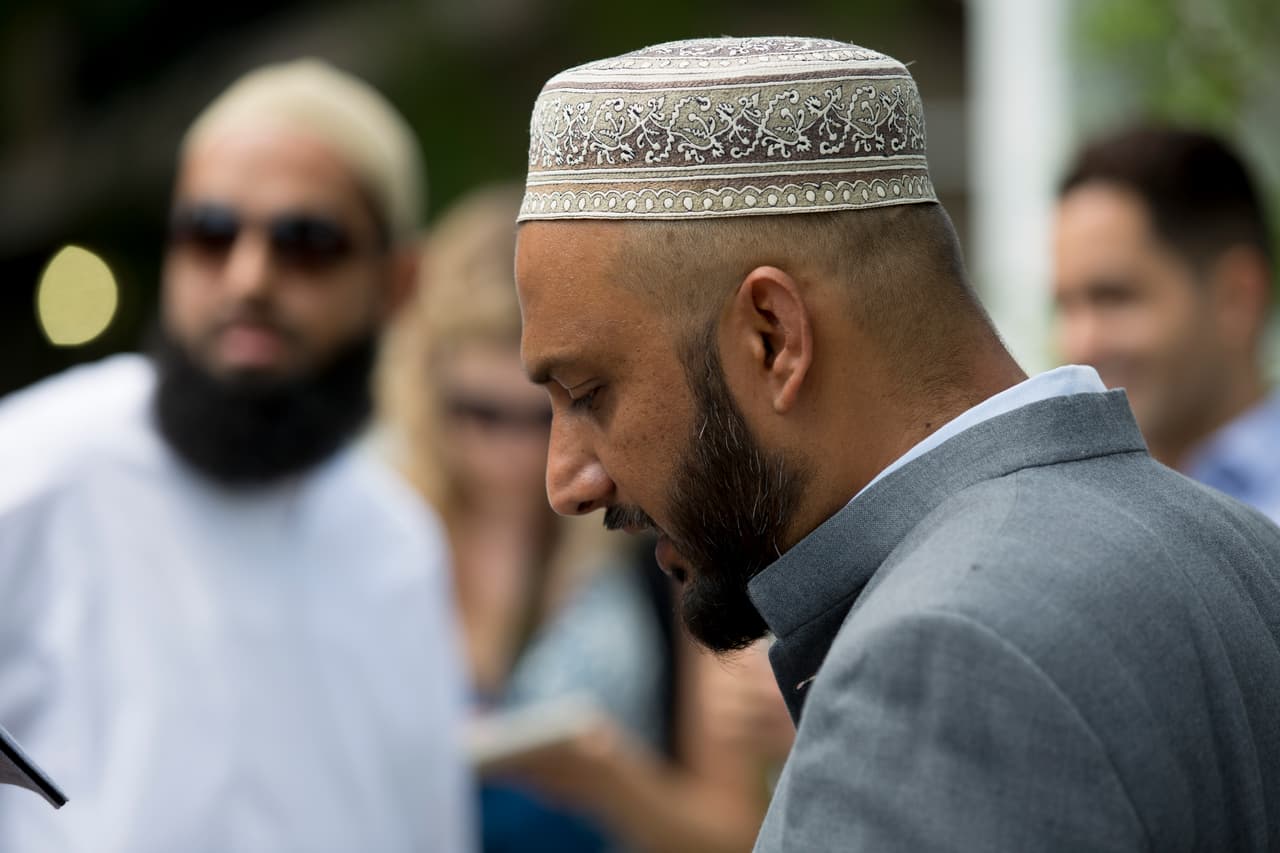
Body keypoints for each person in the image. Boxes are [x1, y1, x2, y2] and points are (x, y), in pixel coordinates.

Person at [513, 36, 1280, 851]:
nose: (567, 481)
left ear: (774, 336)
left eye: (590, 393)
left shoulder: (937, 658)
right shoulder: (1240, 548)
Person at [0, 59, 472, 852]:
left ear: (397, 282)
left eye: (306, 242)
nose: (249, 277)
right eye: (211, 233)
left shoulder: (398, 542)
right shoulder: (33, 467)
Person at [377, 184, 781, 852]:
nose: (513, 456)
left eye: (544, 415)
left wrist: (604, 776)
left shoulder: (657, 542)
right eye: (479, 413)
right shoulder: (382, 529)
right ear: (425, 395)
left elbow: (739, 830)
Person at [1054, 125, 1278, 523]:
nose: (1080, 344)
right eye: (1065, 306)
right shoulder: (1074, 514)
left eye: (1114, 297)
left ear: (1237, 298)